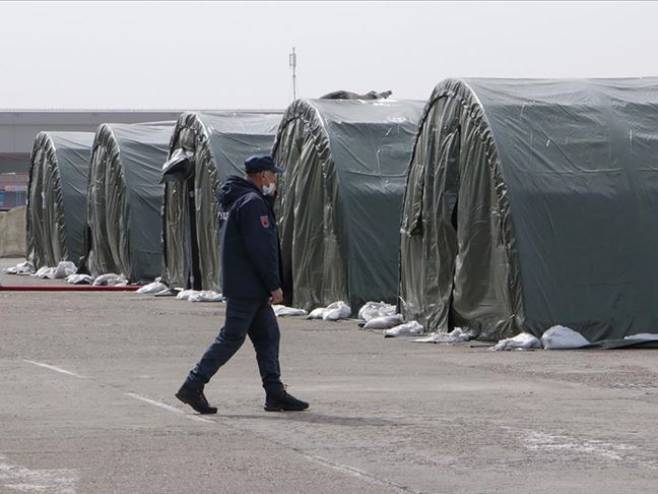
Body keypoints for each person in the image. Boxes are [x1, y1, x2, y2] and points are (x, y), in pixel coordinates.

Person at [175, 155, 309, 414]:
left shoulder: (238, 199)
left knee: (268, 335)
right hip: (248, 285)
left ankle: (275, 393)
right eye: (272, 174)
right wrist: (274, 284)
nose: (275, 179)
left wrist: (268, 201)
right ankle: (193, 383)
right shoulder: (252, 203)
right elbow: (260, 248)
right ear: (262, 176)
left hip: (244, 283)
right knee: (231, 337)